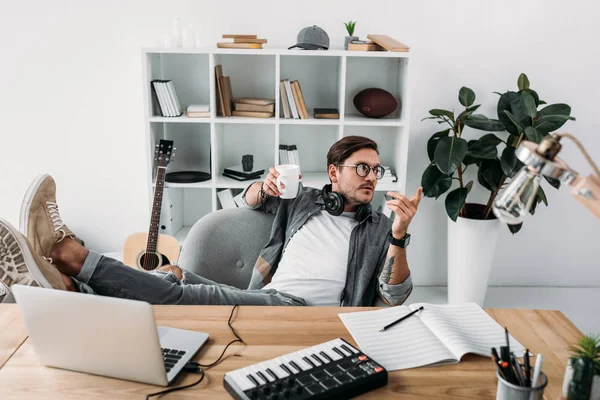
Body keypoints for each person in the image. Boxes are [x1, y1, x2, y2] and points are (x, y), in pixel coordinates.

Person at [0, 136, 422, 307]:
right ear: (334, 173)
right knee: (172, 275)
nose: (372, 178)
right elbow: (245, 201)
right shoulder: (306, 201)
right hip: (271, 297)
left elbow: (395, 295)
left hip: (305, 312)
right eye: (362, 168)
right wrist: (265, 185)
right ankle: (70, 290)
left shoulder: (382, 227)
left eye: (376, 171)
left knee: (191, 298)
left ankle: (74, 259)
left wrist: (400, 237)